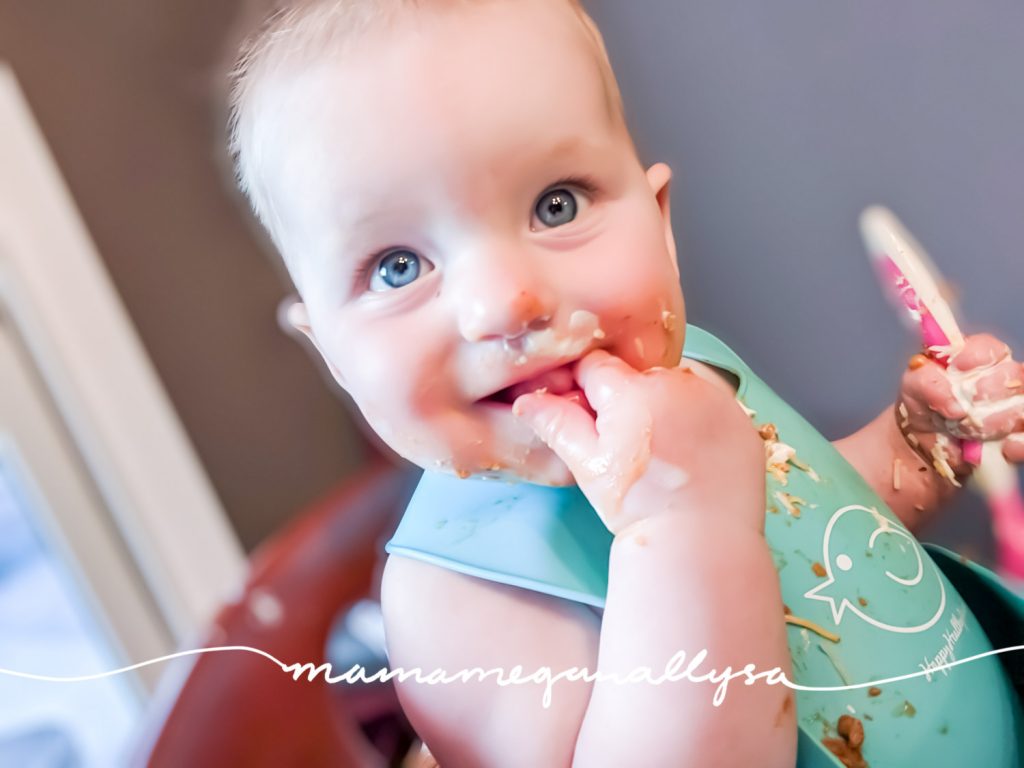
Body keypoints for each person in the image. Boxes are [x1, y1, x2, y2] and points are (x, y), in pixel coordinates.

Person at [226, 1, 1024, 764]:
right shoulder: (458, 598)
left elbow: (822, 551)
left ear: (660, 220)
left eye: (555, 203)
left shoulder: (688, 376)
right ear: (328, 349)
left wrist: (915, 449)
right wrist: (684, 535)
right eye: (399, 267)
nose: (506, 301)